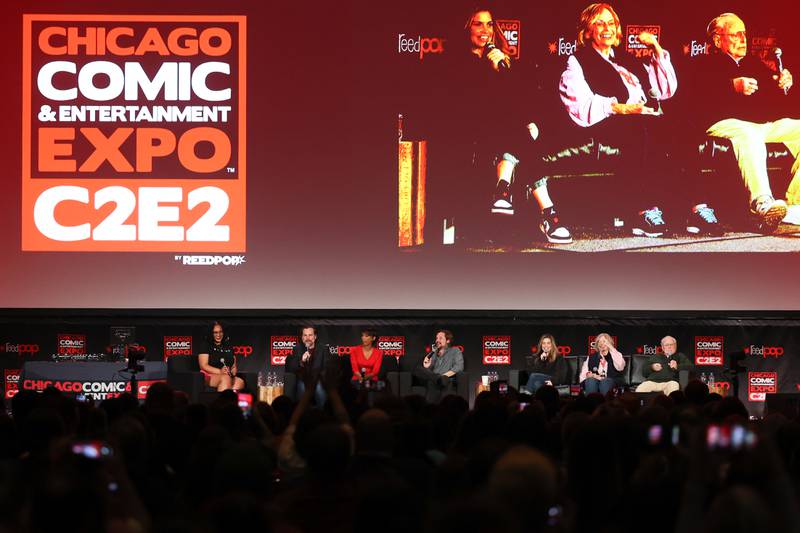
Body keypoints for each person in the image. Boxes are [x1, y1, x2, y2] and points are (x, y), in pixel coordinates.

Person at [559, 3, 722, 237]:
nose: (607, 28)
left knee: (680, 127)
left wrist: (655, 47)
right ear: (587, 31)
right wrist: (624, 109)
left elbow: (665, 90)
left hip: (641, 119)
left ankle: (696, 208)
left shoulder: (627, 59)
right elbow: (579, 104)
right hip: (606, 120)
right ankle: (642, 211)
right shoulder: (578, 60)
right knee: (642, 129)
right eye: (599, 23)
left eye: (611, 23)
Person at [439, 7, 572, 244]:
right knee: (511, 128)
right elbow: (464, 103)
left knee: (516, 130)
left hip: (501, 128)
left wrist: (528, 119)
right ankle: (548, 213)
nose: (485, 31)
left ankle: (504, 188)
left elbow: (517, 98)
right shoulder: (453, 61)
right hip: (469, 127)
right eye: (478, 24)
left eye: (490, 25)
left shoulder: (501, 59)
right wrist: (487, 72)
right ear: (466, 28)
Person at [691, 12, 799, 232]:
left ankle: (795, 203)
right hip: (724, 123)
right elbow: (697, 96)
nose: (743, 38)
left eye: (744, 34)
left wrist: (783, 84)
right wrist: (732, 86)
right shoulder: (702, 63)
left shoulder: (753, 63)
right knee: (748, 134)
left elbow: (774, 98)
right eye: (736, 34)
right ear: (717, 39)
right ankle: (762, 203)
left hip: (761, 125)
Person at [413, 329, 464, 403]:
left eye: (440, 338)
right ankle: (437, 379)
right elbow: (428, 370)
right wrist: (427, 365)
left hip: (446, 379)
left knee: (439, 382)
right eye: (436, 338)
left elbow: (459, 367)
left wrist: (442, 376)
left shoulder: (455, 351)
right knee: (418, 369)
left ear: (448, 341)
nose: (437, 340)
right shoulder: (434, 353)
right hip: (434, 379)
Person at [284, 326, 328, 406]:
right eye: (305, 335)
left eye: (310, 335)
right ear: (302, 337)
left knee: (319, 388)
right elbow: (290, 368)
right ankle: (302, 415)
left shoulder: (323, 349)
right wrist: (302, 361)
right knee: (302, 388)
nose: (308, 338)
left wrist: (318, 377)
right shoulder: (296, 349)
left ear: (315, 337)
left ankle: (323, 413)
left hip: (318, 379)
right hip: (303, 380)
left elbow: (327, 366)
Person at [197, 321, 245, 392]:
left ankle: (231, 402)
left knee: (239, 382)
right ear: (211, 333)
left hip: (227, 375)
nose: (218, 335)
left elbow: (234, 365)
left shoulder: (228, 346)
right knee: (226, 378)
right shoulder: (206, 345)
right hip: (208, 375)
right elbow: (203, 366)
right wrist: (220, 371)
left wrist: (233, 370)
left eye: (220, 332)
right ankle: (222, 402)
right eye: (215, 332)